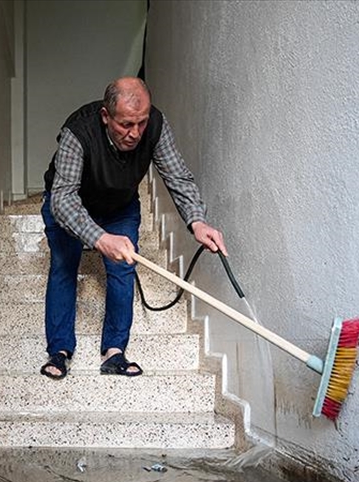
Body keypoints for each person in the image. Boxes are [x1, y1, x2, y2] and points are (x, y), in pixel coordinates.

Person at [39, 76, 227, 380]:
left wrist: (197, 221)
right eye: (126, 124)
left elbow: (177, 176)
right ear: (105, 116)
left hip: (119, 205)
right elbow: (63, 200)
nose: (135, 133)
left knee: (123, 268)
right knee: (64, 265)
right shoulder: (78, 132)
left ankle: (114, 352)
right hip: (70, 202)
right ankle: (59, 351)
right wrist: (99, 238)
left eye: (141, 122)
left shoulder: (155, 124)